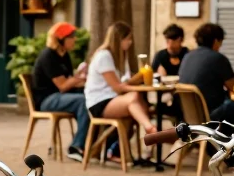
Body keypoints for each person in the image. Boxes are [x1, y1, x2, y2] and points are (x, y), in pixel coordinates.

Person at [85, 21, 156, 139]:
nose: (130, 42)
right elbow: (117, 88)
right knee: (133, 98)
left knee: (139, 100)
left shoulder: (120, 56)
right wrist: (135, 86)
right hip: (99, 102)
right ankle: (150, 129)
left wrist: (139, 77)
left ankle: (121, 148)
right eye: (128, 39)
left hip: (112, 99)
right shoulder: (104, 56)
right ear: (119, 40)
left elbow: (124, 81)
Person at [31, 22, 89, 160]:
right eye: (71, 36)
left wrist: (81, 79)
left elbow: (69, 81)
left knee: (92, 98)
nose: (75, 39)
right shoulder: (48, 56)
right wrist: (78, 78)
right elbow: (63, 85)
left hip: (61, 96)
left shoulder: (65, 55)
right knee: (83, 101)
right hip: (47, 99)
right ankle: (76, 147)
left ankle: (90, 144)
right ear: (60, 39)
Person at [178, 23, 234, 124]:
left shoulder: (187, 56)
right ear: (216, 41)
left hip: (188, 116)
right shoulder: (218, 58)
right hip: (211, 115)